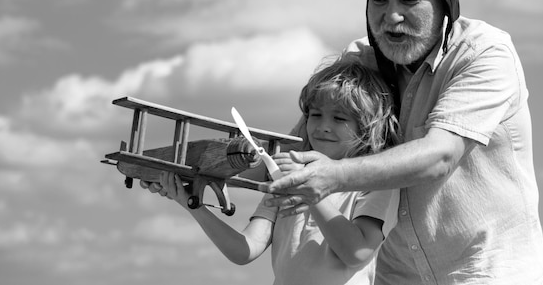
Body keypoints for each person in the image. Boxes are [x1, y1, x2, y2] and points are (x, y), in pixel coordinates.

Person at [265, 0, 543, 284]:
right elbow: (294, 150)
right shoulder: (360, 62)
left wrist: (332, 176)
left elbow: (440, 155)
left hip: (484, 271)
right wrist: (204, 166)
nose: (392, 17)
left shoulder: (484, 53)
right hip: (395, 275)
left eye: (410, 0)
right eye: (378, 1)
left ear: (445, 3)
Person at [144, 58, 401, 285]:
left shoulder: (375, 182)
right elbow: (245, 251)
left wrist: (312, 194)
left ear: (367, 128)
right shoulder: (285, 180)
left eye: (339, 118)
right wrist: (193, 206)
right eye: (315, 114)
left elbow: (356, 253)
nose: (323, 126)